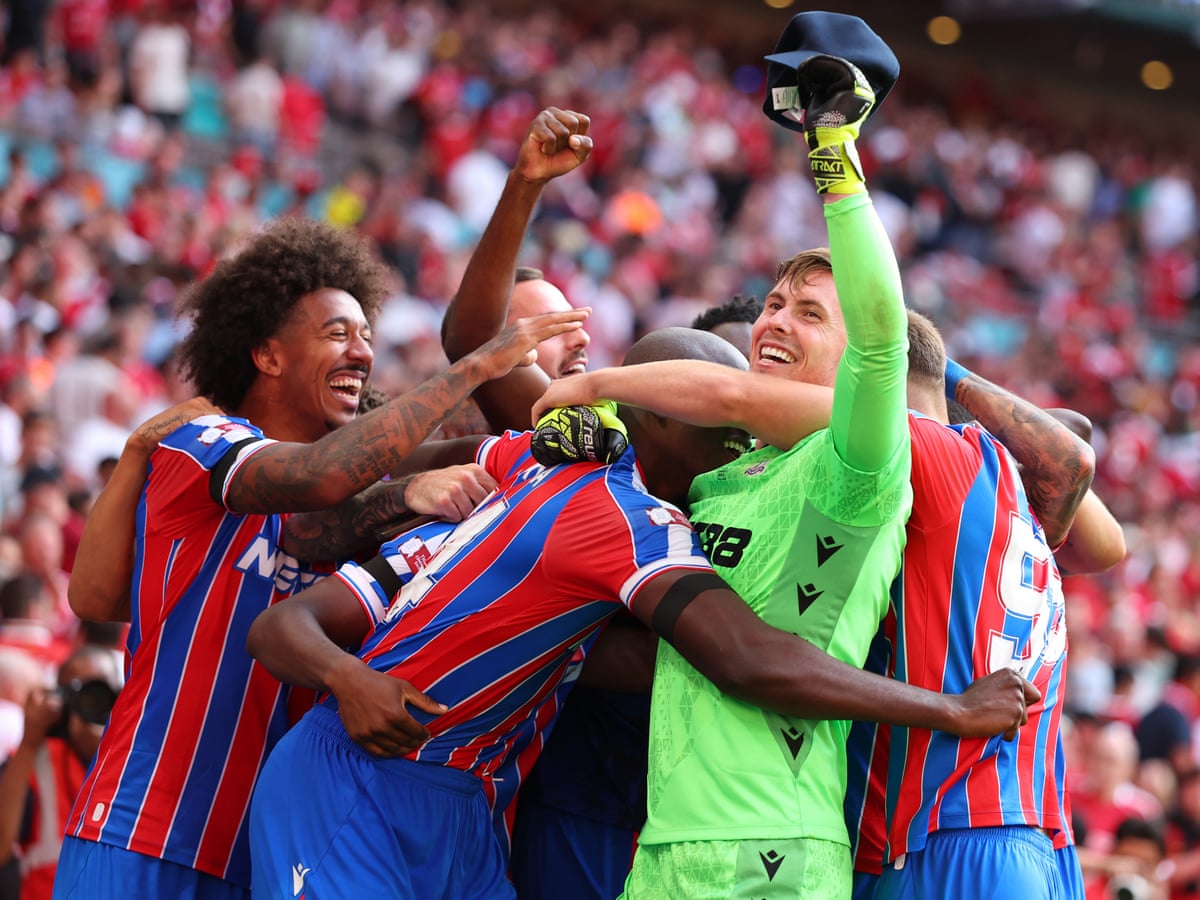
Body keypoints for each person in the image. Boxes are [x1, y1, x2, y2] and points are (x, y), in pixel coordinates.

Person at [244, 324, 1034, 900]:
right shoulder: (621, 520)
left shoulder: (531, 462)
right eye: (724, 425)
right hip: (360, 780)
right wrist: (945, 708)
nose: (741, 440)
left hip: (468, 805)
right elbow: (745, 659)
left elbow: (650, 663)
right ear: (654, 418)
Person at [54, 217, 587, 900]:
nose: (362, 353)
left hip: (279, 853)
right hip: (146, 829)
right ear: (268, 354)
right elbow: (316, 481)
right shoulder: (205, 443)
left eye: (367, 335)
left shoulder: (369, 496)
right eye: (338, 332)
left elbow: (444, 459)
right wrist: (477, 363)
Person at [0, 644, 122, 900]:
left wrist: (109, 747)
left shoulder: (137, 756)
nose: (91, 705)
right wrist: (29, 743)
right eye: (80, 694)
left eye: (99, 692)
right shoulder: (34, 760)